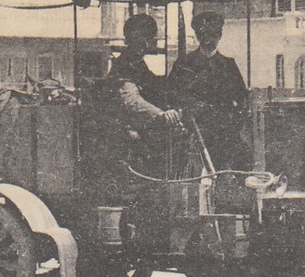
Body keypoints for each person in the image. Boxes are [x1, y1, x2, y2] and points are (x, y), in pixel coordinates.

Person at [92, 13, 183, 189]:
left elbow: (154, 87)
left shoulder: (137, 63)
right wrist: (161, 115)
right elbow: (131, 100)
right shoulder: (124, 65)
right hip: (127, 138)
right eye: (153, 37)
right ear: (143, 41)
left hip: (140, 133)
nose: (155, 41)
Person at [166, 11, 249, 171]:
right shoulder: (184, 64)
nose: (211, 39)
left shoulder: (228, 65)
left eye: (215, 34)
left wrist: (232, 126)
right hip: (192, 132)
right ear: (198, 36)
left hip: (223, 134)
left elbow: (241, 100)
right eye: (205, 35)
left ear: (220, 36)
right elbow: (170, 95)